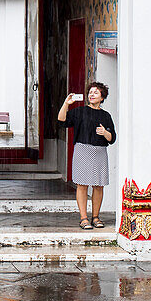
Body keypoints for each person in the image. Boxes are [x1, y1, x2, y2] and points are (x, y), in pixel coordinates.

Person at [58, 82, 115, 229]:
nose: (92, 94)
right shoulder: (79, 111)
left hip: (100, 152)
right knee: (82, 185)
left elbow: (112, 138)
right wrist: (66, 103)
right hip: (83, 150)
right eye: (90, 92)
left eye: (96, 92)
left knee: (99, 185)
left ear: (102, 97)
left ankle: (96, 217)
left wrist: (105, 133)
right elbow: (61, 120)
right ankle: (83, 218)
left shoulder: (106, 116)